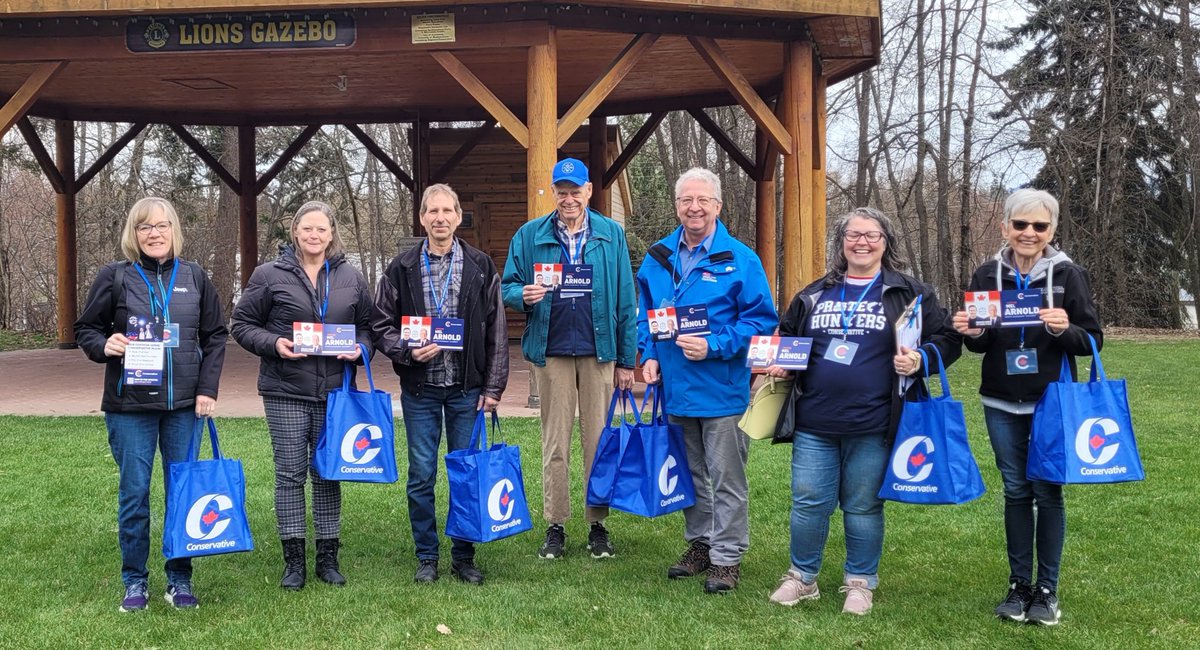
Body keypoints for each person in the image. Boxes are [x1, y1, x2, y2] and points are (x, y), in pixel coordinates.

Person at [765, 207, 959, 614]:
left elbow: (948, 337)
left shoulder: (910, 293)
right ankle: (802, 577)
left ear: (885, 243)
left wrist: (922, 358)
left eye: (871, 235)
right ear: (842, 243)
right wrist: (781, 361)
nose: (862, 242)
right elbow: (788, 337)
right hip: (815, 421)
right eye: (853, 235)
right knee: (808, 501)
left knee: (864, 504)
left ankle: (860, 581)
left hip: (875, 422)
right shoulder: (814, 294)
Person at [952, 189, 1102, 626]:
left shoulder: (1067, 275)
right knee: (1016, 490)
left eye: (1039, 226)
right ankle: (1019, 586)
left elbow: (1092, 340)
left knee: (1047, 490)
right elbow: (979, 345)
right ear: (1005, 228)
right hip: (1000, 399)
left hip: (1051, 399)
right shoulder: (986, 274)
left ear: (1051, 231)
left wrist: (1063, 329)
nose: (1029, 233)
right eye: (1021, 225)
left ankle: (1047, 590)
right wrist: (971, 331)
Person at [75, 197, 227, 612]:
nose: (154, 233)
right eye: (145, 227)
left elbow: (216, 336)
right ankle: (135, 581)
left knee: (182, 494)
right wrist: (104, 344)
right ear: (134, 234)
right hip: (130, 407)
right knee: (134, 494)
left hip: (183, 407)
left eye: (161, 226)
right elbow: (86, 329)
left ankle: (179, 579)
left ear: (174, 230)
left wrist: (207, 389)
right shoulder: (115, 277)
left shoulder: (194, 276)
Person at [637, 168, 777, 594]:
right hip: (676, 390)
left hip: (721, 390)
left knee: (727, 478)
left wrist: (714, 345)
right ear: (676, 205)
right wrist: (649, 355)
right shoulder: (657, 257)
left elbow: (761, 322)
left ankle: (727, 557)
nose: (693, 208)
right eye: (685, 200)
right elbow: (646, 315)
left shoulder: (741, 260)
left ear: (718, 205)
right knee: (690, 474)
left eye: (702, 200)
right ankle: (700, 545)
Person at [231, 200, 374, 591]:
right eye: (306, 229)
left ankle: (328, 558)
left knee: (328, 474)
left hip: (336, 393)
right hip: (285, 391)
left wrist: (360, 350)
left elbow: (368, 328)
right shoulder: (268, 275)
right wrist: (274, 342)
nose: (314, 235)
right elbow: (241, 324)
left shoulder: (351, 277)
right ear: (294, 232)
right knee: (290, 475)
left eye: (321, 229)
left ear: (332, 234)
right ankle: (294, 560)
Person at [372, 183, 509, 585]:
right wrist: (407, 351)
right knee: (421, 475)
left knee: (465, 473)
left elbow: (497, 331)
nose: (440, 218)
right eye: (432, 211)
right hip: (421, 391)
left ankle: (464, 556)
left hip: (467, 388)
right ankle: (427, 555)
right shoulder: (400, 268)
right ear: (422, 218)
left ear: (459, 217)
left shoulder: (481, 265)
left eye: (447, 211)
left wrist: (494, 387)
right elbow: (380, 324)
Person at [502, 157, 637, 560]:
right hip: (552, 352)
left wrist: (626, 360)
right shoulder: (530, 235)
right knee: (554, 442)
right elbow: (507, 284)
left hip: (599, 354)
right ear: (554, 193)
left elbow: (626, 300)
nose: (568, 198)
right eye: (562, 191)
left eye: (575, 191)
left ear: (589, 192)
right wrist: (520, 295)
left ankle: (597, 524)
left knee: (597, 441)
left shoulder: (611, 235)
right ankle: (555, 524)